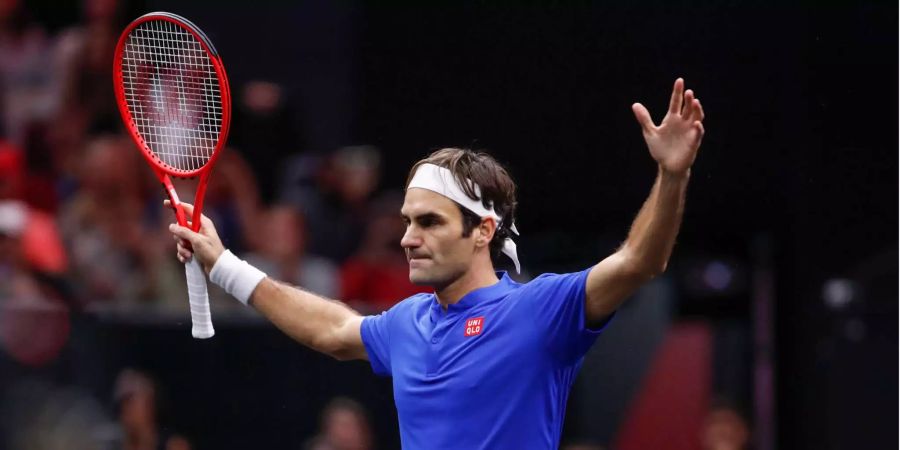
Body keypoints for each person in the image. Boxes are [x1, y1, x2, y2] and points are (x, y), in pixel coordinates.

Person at [169, 78, 705, 449]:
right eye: (407, 221)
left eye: (429, 222)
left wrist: (672, 176)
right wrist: (225, 266)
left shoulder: (542, 310)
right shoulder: (407, 322)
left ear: (483, 232)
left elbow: (640, 260)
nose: (408, 238)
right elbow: (331, 329)